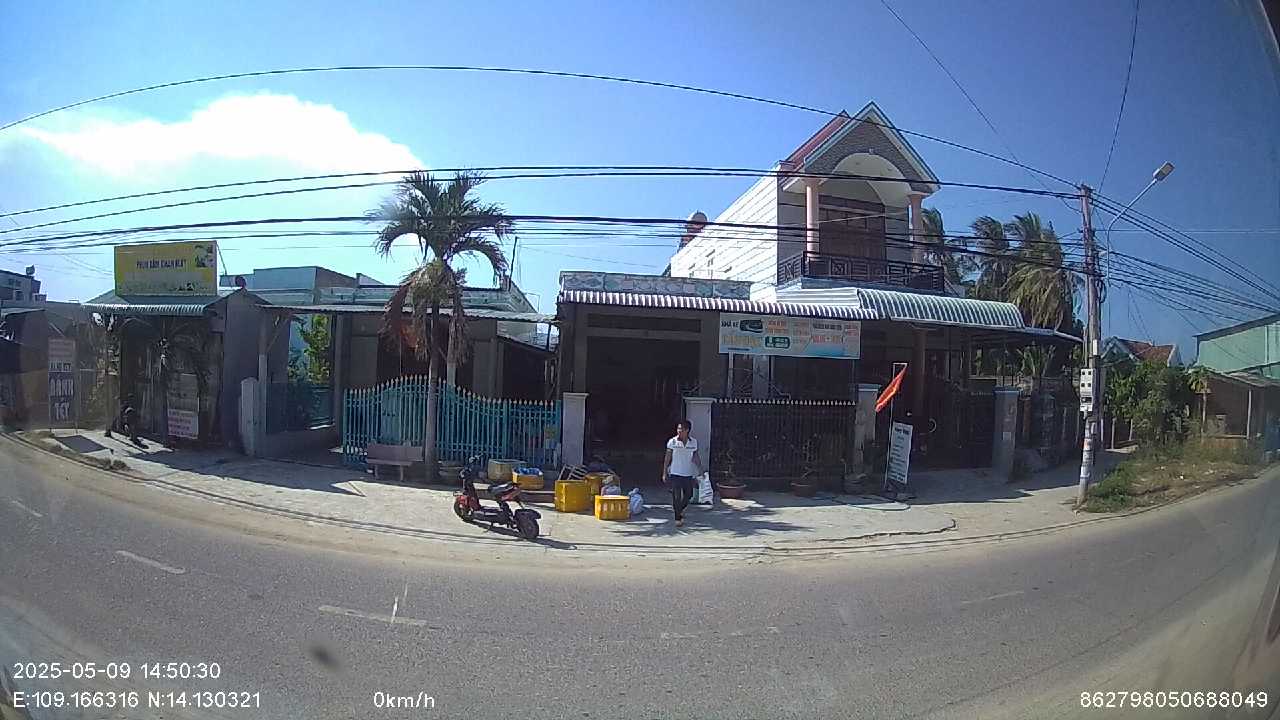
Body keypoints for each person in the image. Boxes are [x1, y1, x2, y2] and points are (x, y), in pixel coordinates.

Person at [662, 419, 704, 527]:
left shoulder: (693, 442)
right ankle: (678, 518)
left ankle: (679, 510)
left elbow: (696, 456)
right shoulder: (672, 442)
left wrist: (700, 470)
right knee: (676, 497)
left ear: (687, 430)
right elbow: (667, 458)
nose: (679, 431)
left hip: (688, 473)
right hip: (675, 473)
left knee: (689, 495)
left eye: (681, 429)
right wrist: (664, 472)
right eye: (678, 429)